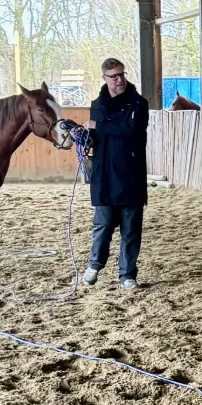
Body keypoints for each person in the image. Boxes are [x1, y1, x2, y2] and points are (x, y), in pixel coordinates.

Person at [84, 58, 150, 290]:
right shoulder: (97, 104)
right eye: (114, 76)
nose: (119, 79)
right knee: (102, 225)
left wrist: (97, 126)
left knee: (130, 230)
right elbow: (96, 138)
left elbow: (132, 132)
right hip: (104, 175)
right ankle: (95, 264)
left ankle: (127, 275)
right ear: (105, 78)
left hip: (131, 173)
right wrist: (84, 137)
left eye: (122, 74)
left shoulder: (139, 104)